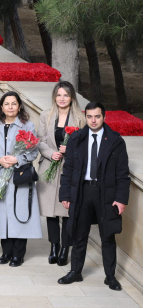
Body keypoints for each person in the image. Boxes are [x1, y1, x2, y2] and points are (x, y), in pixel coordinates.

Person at [58, 102, 130, 291]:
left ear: (103, 117)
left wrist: (121, 199)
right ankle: (75, 272)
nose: (93, 120)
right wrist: (65, 194)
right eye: (89, 116)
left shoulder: (115, 141)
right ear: (86, 117)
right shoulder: (77, 138)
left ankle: (110, 276)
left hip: (106, 193)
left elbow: (123, 174)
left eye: (97, 116)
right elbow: (69, 169)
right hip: (82, 191)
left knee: (108, 235)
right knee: (79, 233)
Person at [0, 91, 41, 266]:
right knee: (2, 213)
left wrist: (18, 159)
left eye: (14, 104)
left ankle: (18, 254)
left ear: (19, 106)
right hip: (0, 174)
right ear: (1, 107)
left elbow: (34, 151)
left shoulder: (27, 126)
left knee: (19, 212)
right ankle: (5, 252)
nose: (10, 107)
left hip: (19, 175)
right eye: (7, 104)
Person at [36, 81, 86, 267]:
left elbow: (85, 146)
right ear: (54, 97)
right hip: (49, 167)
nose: (62, 98)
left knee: (67, 211)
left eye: (66, 95)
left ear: (72, 97)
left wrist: (70, 149)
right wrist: (51, 153)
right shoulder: (45, 115)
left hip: (69, 168)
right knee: (50, 212)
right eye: (59, 95)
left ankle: (66, 248)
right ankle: (54, 247)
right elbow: (39, 141)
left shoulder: (80, 119)